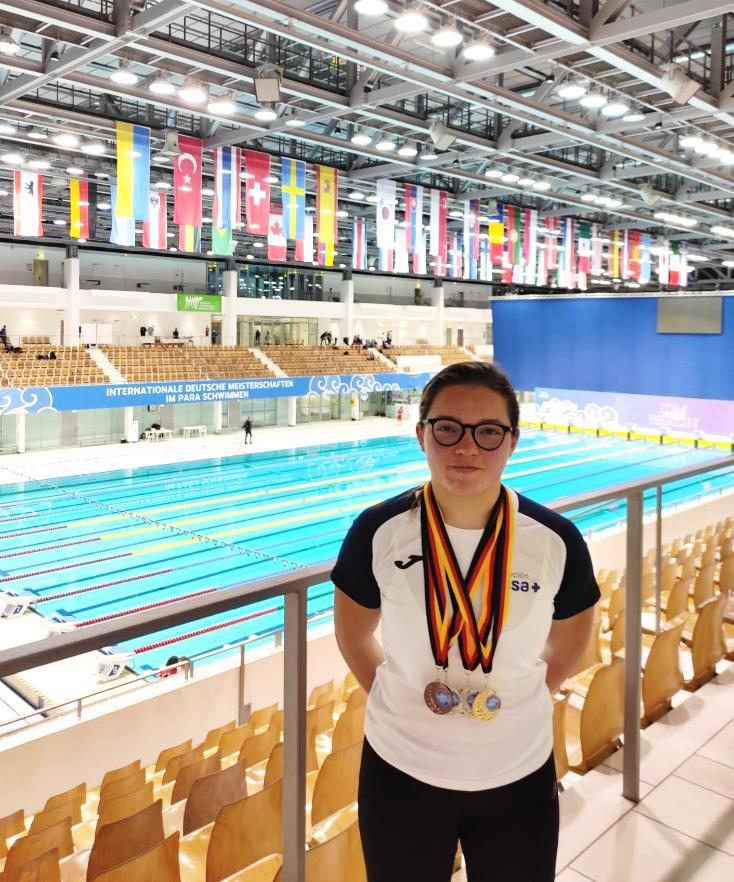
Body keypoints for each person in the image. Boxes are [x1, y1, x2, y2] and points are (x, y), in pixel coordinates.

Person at [332, 361, 599, 882]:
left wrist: (516, 694)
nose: (466, 447)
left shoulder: (555, 540)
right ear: (421, 433)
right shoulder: (377, 531)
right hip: (399, 771)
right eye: (448, 428)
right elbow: (353, 634)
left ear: (512, 441)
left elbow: (571, 638)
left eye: (488, 432)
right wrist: (402, 700)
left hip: (518, 773)